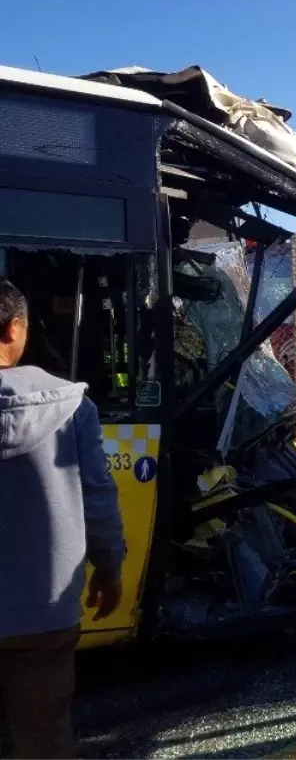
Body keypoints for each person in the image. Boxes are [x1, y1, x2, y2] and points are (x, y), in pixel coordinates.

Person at [0, 280, 126, 760]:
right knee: (44, 737)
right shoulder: (73, 406)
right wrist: (108, 569)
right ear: (16, 328)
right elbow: (97, 497)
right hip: (43, 607)